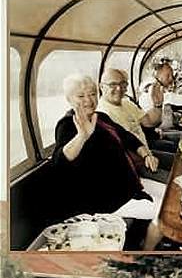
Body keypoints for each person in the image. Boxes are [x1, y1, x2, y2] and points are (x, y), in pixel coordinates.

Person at [53, 74, 167, 235]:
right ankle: (146, 252)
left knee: (172, 195)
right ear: (69, 99)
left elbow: (127, 137)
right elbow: (59, 162)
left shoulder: (101, 118)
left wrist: (146, 154)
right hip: (108, 199)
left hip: (130, 185)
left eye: (92, 94)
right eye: (81, 96)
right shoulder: (67, 125)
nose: (88, 100)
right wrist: (82, 137)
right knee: (167, 212)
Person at [96, 67, 173, 182]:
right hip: (135, 165)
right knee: (175, 181)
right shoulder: (101, 113)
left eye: (122, 84)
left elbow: (149, 122)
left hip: (147, 154)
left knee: (180, 161)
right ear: (102, 87)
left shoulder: (127, 104)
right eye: (112, 84)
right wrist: (146, 157)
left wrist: (158, 105)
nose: (119, 88)